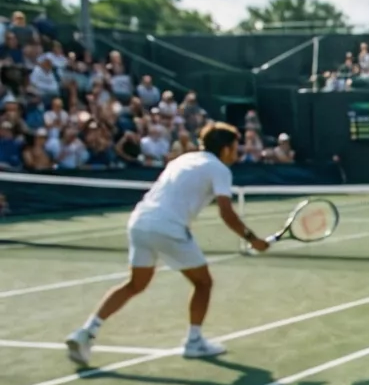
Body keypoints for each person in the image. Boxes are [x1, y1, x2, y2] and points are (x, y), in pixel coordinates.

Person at [64, 123, 269, 366]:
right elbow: (226, 212)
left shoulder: (183, 160)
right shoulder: (220, 169)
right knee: (203, 283)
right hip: (167, 226)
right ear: (225, 149)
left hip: (139, 221)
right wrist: (251, 238)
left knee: (135, 284)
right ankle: (194, 342)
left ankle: (86, 331)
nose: (238, 153)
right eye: (235, 148)